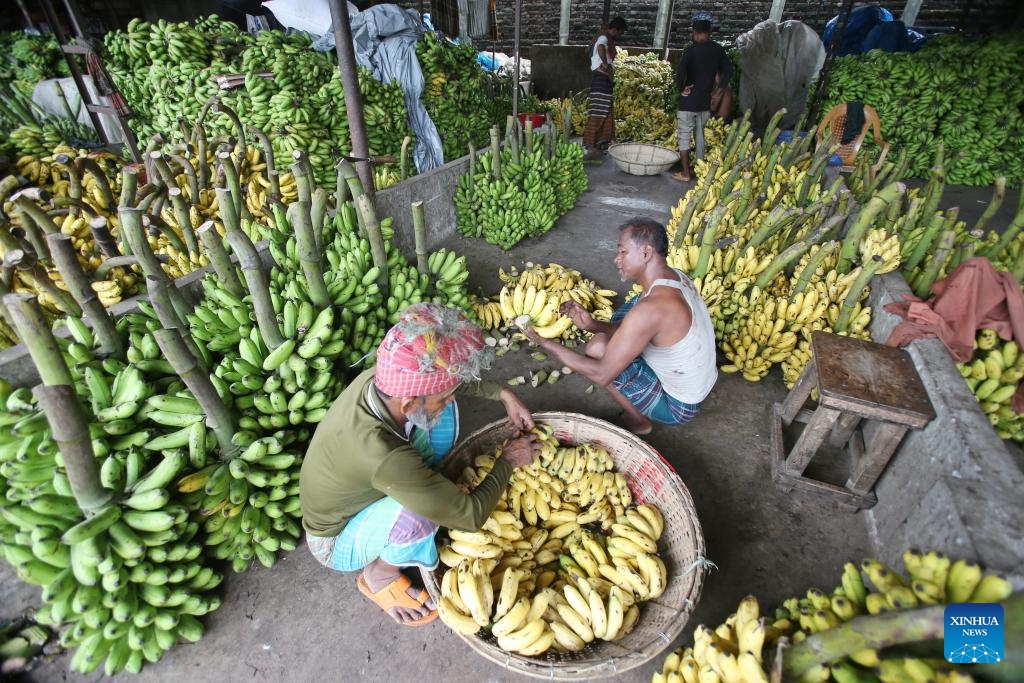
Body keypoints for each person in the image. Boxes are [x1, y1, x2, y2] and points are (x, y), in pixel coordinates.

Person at [299, 303, 541, 626]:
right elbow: (469, 516)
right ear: (410, 403)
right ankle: (379, 575)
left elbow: (446, 379)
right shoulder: (381, 453)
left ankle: (423, 490)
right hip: (335, 538)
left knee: (441, 418)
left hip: (366, 480)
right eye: (442, 396)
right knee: (422, 514)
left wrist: (503, 394)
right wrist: (509, 459)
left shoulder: (386, 379)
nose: (450, 398)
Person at [523, 218, 717, 436]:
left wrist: (546, 343)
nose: (617, 259)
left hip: (678, 406)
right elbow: (636, 327)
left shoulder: (653, 308)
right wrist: (593, 324)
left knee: (598, 349)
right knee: (622, 318)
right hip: (699, 384)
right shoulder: (673, 277)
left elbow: (601, 374)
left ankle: (639, 420)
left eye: (623, 252)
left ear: (645, 253)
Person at [673, 12, 733, 181]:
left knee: (684, 136)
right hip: (704, 103)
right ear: (709, 32)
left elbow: (681, 72)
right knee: (700, 137)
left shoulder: (690, 50)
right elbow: (728, 71)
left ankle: (685, 173)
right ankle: (700, 171)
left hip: (688, 102)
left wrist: (681, 88)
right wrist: (719, 90)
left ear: (695, 32)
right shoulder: (718, 50)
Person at [582, 16, 628, 159]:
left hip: (604, 81)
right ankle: (590, 145)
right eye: (619, 33)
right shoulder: (604, 38)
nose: (619, 36)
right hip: (601, 81)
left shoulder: (605, 37)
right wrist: (605, 64)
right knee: (597, 113)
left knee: (607, 112)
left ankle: (605, 141)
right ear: (615, 29)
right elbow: (601, 47)